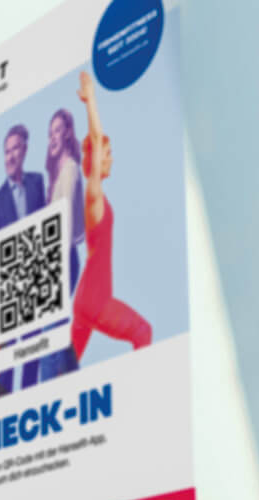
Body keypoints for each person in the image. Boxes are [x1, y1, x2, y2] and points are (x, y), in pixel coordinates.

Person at [0, 123, 77, 389]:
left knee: (35, 354)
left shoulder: (37, 182)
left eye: (15, 150)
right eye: (6, 151)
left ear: (24, 151)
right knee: (9, 359)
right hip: (10, 292)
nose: (10, 157)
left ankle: (30, 399)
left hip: (37, 285)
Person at [71, 69, 153, 363]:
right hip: (96, 300)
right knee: (143, 332)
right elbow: (95, 135)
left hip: (83, 302)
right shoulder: (93, 195)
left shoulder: (96, 199)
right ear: (95, 159)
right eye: (108, 154)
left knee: (63, 374)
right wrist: (91, 100)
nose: (111, 158)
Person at [46, 106, 85, 284]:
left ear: (67, 134)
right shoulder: (58, 175)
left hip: (65, 256)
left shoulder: (69, 169)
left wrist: (59, 262)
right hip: (58, 255)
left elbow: (66, 216)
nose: (52, 138)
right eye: (50, 133)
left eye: (57, 131)